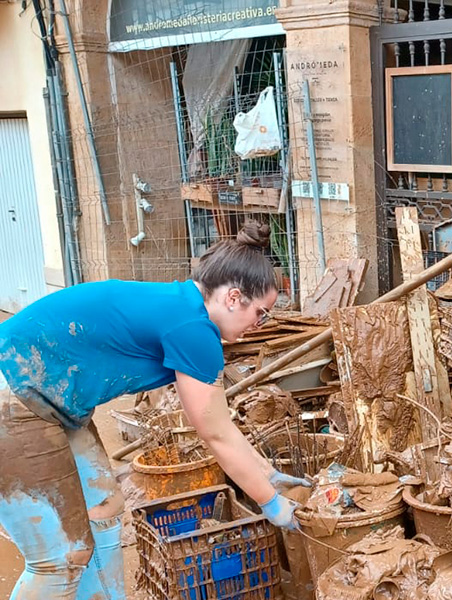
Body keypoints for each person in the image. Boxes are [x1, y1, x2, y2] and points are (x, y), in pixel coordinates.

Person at [0, 221, 310, 599]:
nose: (259, 325)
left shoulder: (184, 308)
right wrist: (271, 503)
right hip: (15, 392)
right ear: (233, 298)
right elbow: (215, 434)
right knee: (59, 560)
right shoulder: (193, 328)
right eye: (260, 313)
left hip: (52, 395)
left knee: (104, 510)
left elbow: (221, 424)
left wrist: (268, 474)